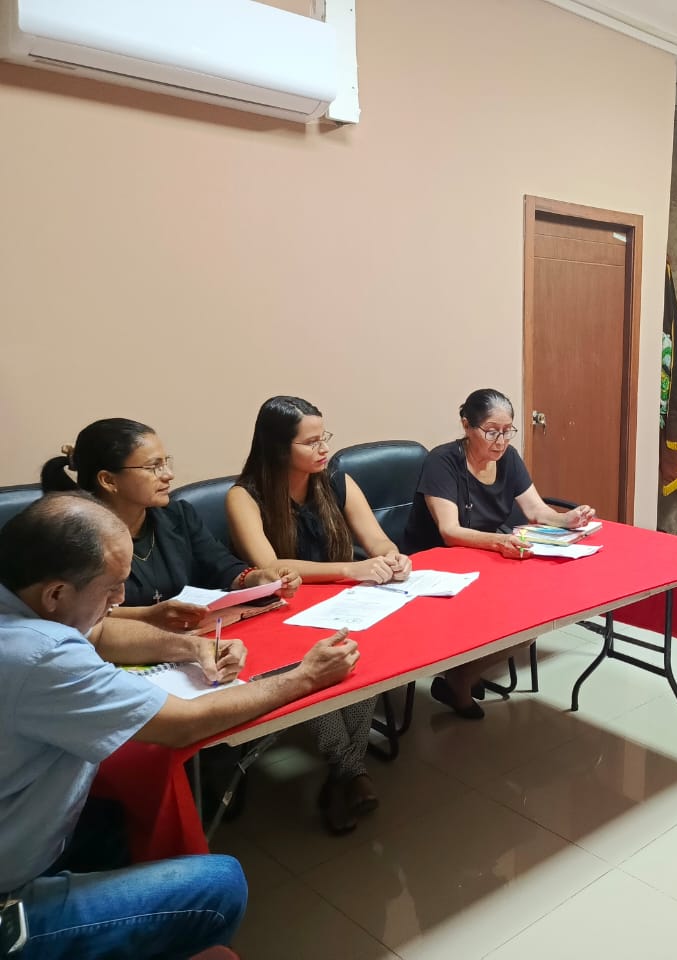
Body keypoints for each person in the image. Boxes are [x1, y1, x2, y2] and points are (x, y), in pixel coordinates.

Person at [0, 492, 357, 960]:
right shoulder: (40, 654)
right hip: (9, 895)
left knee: (121, 810)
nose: (120, 601)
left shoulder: (25, 601)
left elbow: (99, 632)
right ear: (56, 594)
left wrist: (193, 647)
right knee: (218, 885)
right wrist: (305, 677)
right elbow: (182, 724)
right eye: (111, 590)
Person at [226, 395, 412, 834]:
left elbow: (377, 540)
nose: (323, 448)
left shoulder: (336, 482)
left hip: (342, 608)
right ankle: (351, 772)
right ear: (278, 447)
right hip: (279, 615)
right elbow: (271, 567)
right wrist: (350, 569)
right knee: (317, 671)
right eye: (310, 442)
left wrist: (392, 556)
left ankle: (343, 774)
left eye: (323, 436)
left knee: (361, 661)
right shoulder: (244, 496)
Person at [403, 388, 595, 718]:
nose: (501, 441)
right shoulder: (442, 462)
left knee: (536, 612)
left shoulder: (508, 458)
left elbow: (535, 509)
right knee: (513, 612)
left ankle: (463, 674)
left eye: (508, 431)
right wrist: (499, 543)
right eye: (492, 431)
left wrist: (567, 519)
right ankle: (460, 679)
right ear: (467, 426)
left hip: (484, 557)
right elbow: (449, 532)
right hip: (437, 564)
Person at [39, 418, 301, 631]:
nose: (168, 475)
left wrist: (257, 578)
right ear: (108, 480)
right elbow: (69, 615)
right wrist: (148, 616)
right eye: (154, 467)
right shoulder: (72, 536)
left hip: (187, 639)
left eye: (166, 463)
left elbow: (222, 567)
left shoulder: (177, 516)